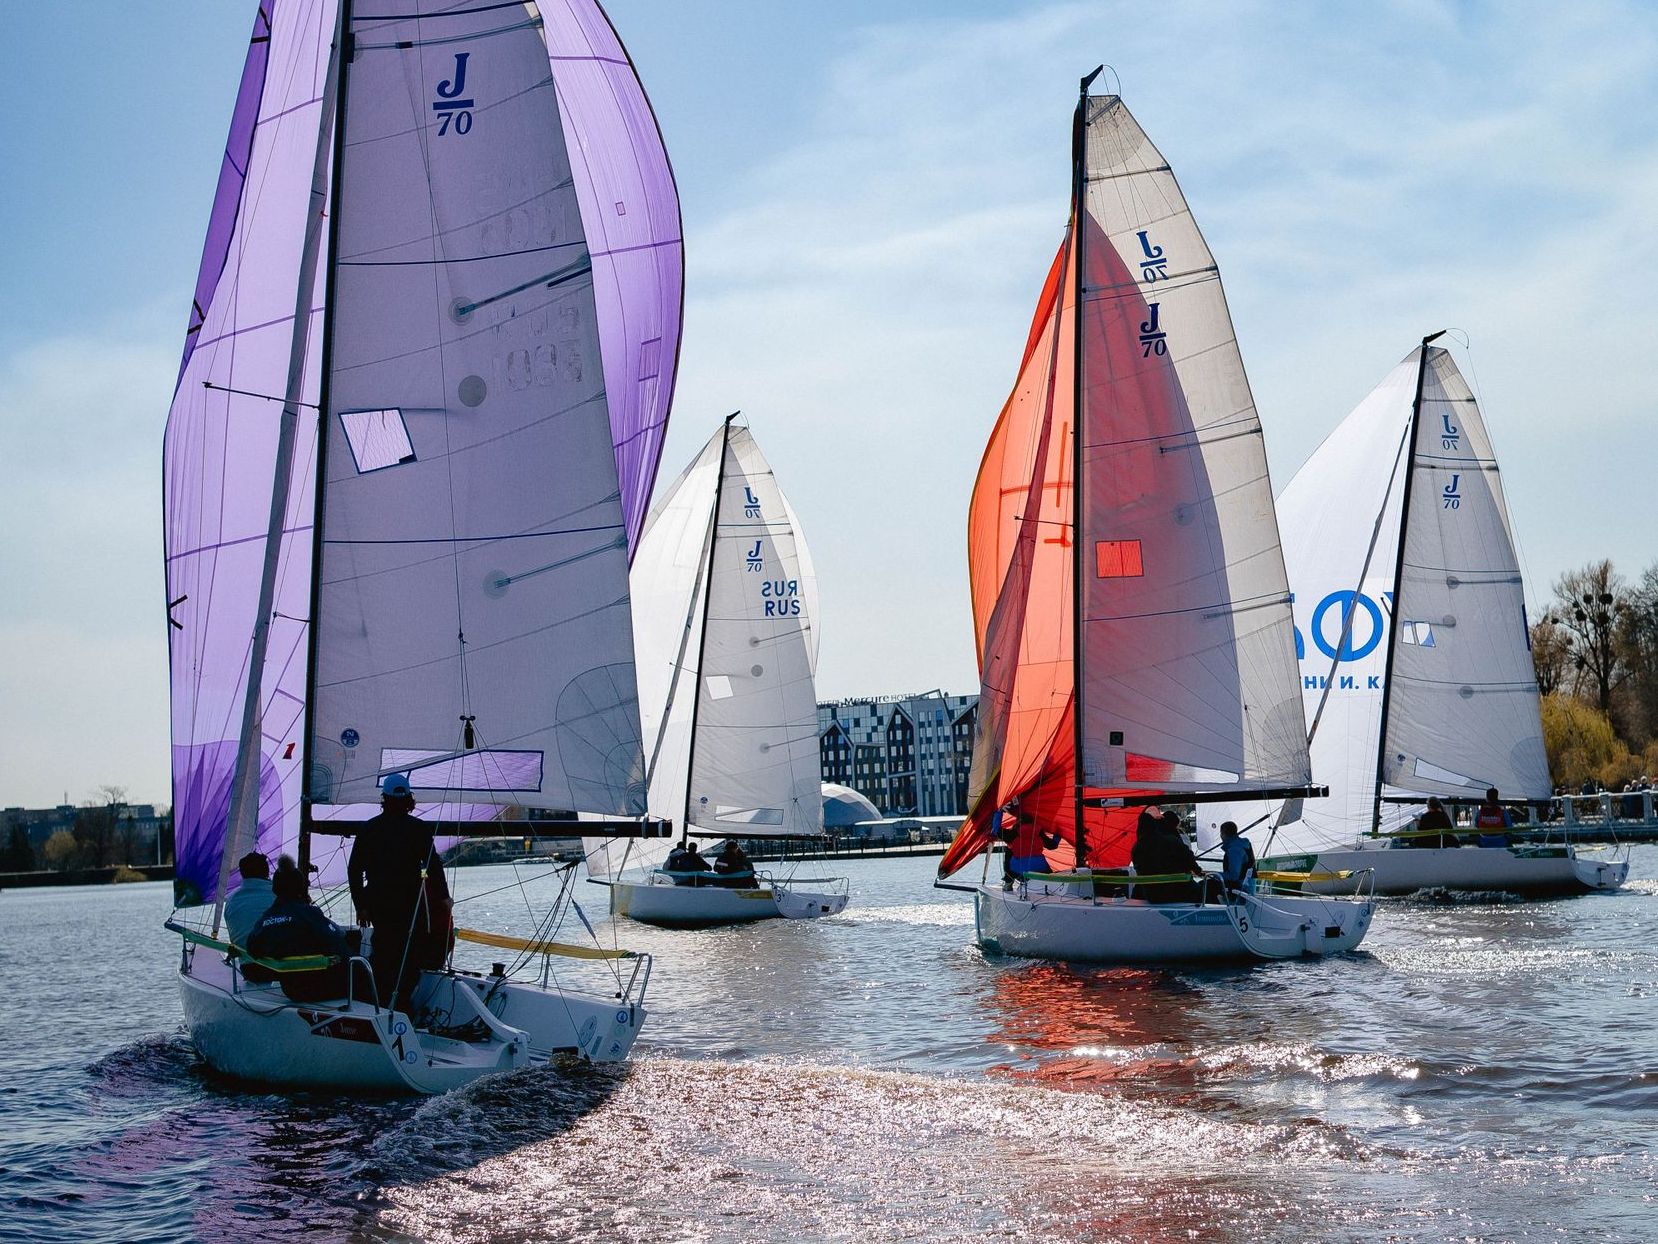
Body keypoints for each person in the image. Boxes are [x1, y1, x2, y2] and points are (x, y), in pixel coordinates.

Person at [348, 773, 452, 1011]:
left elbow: (354, 870)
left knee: (384, 950)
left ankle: (382, 1001)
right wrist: (444, 897)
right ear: (408, 799)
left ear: (384, 798)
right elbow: (433, 866)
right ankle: (401, 1001)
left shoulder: (368, 829)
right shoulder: (418, 829)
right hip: (410, 904)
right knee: (411, 952)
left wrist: (361, 906)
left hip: (379, 903)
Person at [246, 857, 362, 1002]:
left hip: (292, 990)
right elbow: (337, 937)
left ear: (274, 889)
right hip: (323, 986)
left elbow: (252, 947)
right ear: (301, 887)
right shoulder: (309, 914)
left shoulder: (266, 919)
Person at [1129, 806, 1201, 903]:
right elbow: (1188, 857)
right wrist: (1198, 871)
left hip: (1151, 895)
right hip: (1179, 892)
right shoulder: (1171, 840)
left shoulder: (1136, 848)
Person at [223, 851, 274, 950]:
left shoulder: (230, 900)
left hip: (244, 957)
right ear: (267, 871)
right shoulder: (278, 894)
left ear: (242, 874)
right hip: (275, 958)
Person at [1218, 822, 1256, 896]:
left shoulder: (1234, 849)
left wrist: (1215, 874)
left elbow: (1234, 876)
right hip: (1249, 888)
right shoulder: (1244, 844)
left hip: (1240, 892)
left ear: (1223, 834)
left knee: (1207, 885)